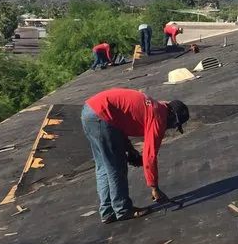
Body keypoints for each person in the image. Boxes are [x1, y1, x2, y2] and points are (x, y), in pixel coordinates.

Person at [81, 88, 190, 223]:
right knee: (116, 166)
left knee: (104, 165)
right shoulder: (158, 117)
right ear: (172, 117)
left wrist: (130, 150)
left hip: (89, 111)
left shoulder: (153, 107)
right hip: (101, 115)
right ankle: (122, 209)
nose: (170, 128)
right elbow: (149, 156)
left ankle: (107, 212)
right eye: (174, 125)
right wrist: (154, 188)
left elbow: (119, 125)